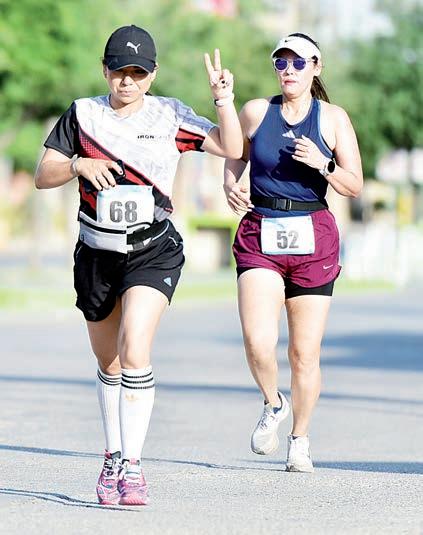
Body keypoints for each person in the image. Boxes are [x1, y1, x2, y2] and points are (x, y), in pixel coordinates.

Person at [35, 24, 242, 505]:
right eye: (119, 71)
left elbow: (232, 147)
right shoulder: (82, 114)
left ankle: (132, 466)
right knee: (108, 361)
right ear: (104, 71)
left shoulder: (170, 114)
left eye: (138, 72)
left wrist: (223, 100)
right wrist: (78, 165)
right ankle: (112, 454)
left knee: (134, 349)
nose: (127, 80)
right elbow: (43, 173)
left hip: (152, 250)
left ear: (153, 74)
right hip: (96, 250)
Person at [224, 33, 362, 472]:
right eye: (281, 62)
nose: (289, 70)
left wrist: (323, 163)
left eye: (299, 63)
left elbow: (354, 184)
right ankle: (273, 402)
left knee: (304, 353)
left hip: (312, 233)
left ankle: (300, 438)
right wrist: (230, 182)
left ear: (316, 67)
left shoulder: (332, 118)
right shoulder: (256, 111)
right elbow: (234, 153)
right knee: (257, 341)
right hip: (261, 229)